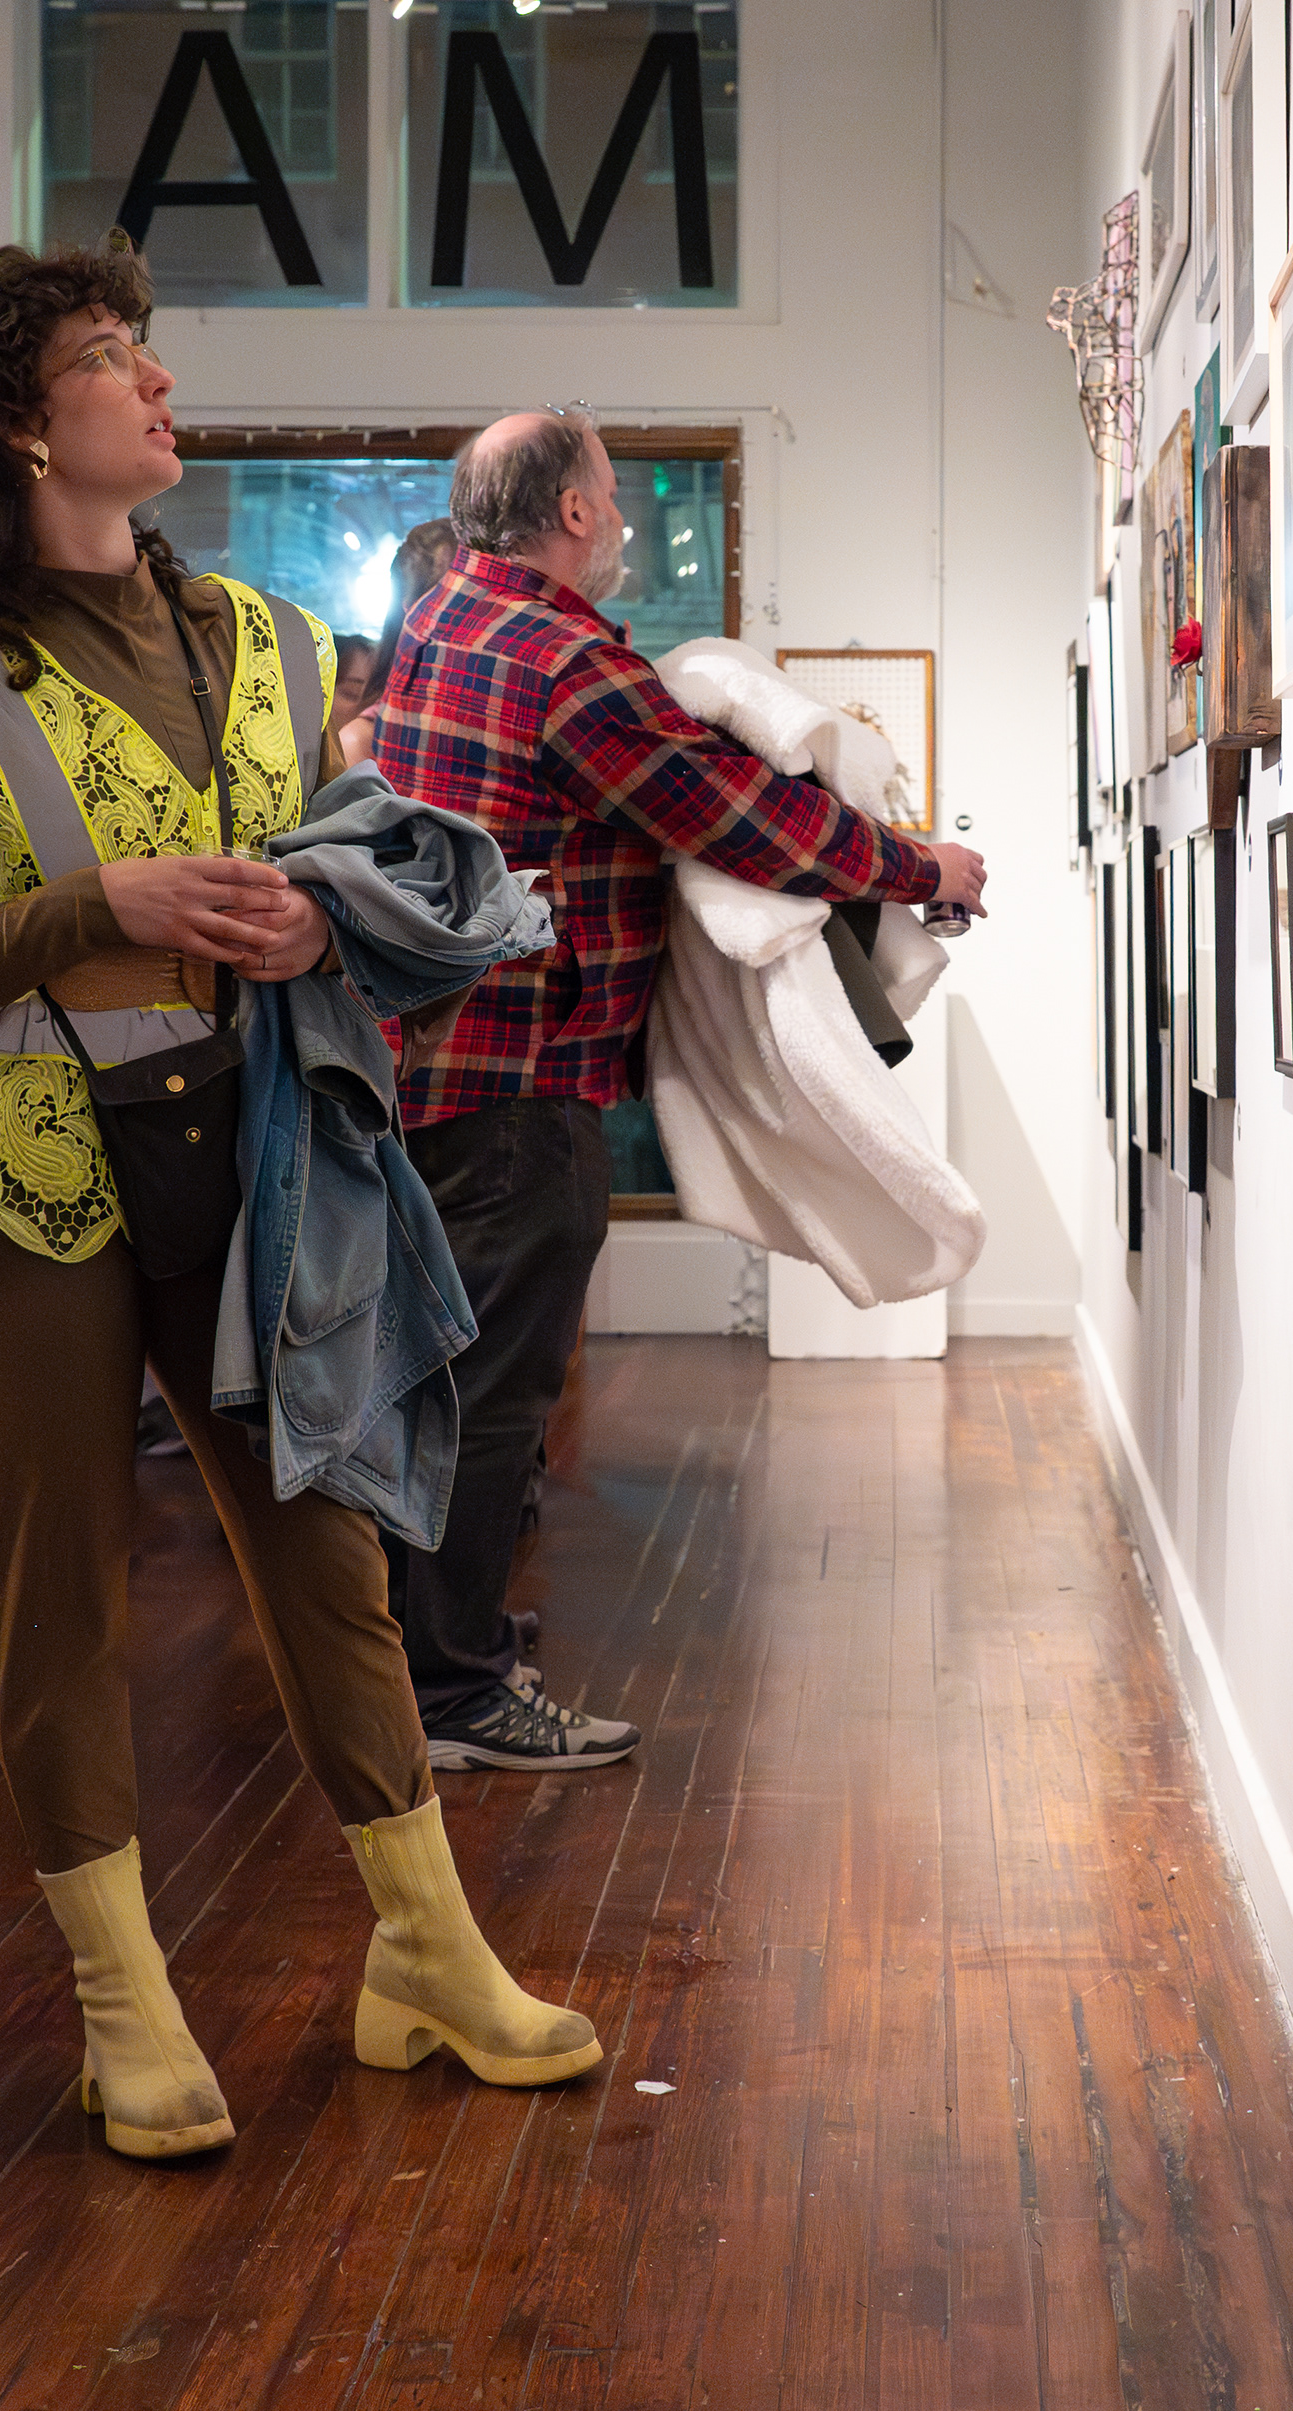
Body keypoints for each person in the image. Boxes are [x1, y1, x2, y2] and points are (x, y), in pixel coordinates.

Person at [0, 241, 598, 2159]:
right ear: (22, 422)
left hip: (251, 1150)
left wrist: (312, 916)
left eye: (146, 350)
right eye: (116, 356)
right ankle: (123, 2004)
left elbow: (323, 858)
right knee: (61, 1588)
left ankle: (429, 1954)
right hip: (23, 1176)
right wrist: (95, 907)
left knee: (328, 1554)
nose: (160, 384)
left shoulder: (273, 643)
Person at [371, 411, 987, 1770]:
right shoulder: (563, 660)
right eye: (611, 495)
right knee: (498, 1394)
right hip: (522, 1075)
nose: (622, 519)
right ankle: (455, 1693)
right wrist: (921, 865)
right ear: (572, 512)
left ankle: (434, 1648)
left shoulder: (445, 618)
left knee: (444, 1381)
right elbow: (736, 816)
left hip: (434, 1064)